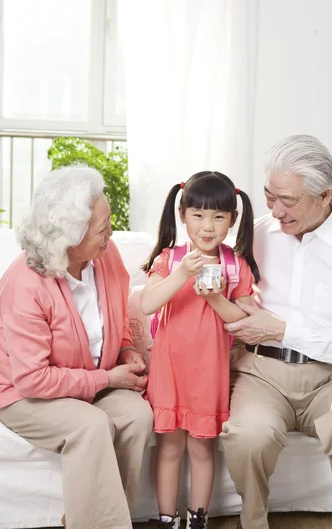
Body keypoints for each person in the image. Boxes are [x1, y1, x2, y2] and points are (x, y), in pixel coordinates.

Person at [221, 134, 332, 529]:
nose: (276, 210)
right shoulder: (254, 234)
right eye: (268, 195)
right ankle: (252, 523)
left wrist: (282, 330)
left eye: (288, 200)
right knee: (248, 435)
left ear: (324, 195)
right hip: (261, 375)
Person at [0, 165, 153, 529]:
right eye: (102, 227)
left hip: (92, 379)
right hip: (23, 395)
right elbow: (33, 379)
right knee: (91, 426)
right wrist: (106, 378)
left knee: (137, 415)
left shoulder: (107, 255)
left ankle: (89, 518)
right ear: (69, 236)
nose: (111, 232)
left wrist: (126, 350)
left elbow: (115, 318)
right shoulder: (25, 284)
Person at [140, 171, 260, 529]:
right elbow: (148, 304)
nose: (208, 226)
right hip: (169, 370)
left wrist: (216, 298)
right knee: (170, 448)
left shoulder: (235, 265)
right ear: (182, 215)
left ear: (233, 220)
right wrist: (182, 274)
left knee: (202, 448)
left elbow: (241, 321)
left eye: (218, 217)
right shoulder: (170, 258)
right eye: (198, 215)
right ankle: (166, 519)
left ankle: (197, 520)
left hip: (209, 372)